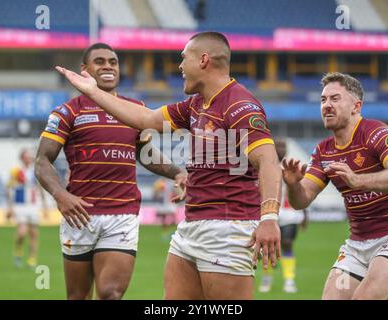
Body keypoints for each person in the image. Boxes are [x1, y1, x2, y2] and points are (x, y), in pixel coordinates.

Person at [56, 32, 282, 300]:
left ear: (203, 60)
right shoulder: (194, 105)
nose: (180, 67)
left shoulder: (239, 105)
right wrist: (93, 91)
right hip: (191, 226)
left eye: (183, 59)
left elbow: (268, 160)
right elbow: (146, 118)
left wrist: (269, 217)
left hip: (228, 228)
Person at [35, 43, 186, 300]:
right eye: (100, 61)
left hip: (122, 214)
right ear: (85, 69)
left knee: (111, 293)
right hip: (80, 215)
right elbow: (42, 160)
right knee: (77, 296)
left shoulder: (134, 109)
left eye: (113, 62)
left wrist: (178, 173)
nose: (107, 66)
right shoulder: (68, 111)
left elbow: (145, 153)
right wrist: (61, 195)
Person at [282, 72, 388, 300]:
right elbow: (301, 200)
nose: (327, 105)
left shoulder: (376, 133)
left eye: (335, 99)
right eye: (323, 100)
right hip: (356, 247)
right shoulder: (324, 150)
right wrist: (293, 185)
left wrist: (358, 180)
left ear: (356, 106)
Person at [259, 138, 308, 294]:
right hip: (269, 214)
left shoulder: (291, 168)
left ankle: (289, 281)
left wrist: (305, 214)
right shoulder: (266, 168)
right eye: (278, 146)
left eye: (283, 146)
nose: (281, 149)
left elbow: (299, 191)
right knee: (267, 248)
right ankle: (267, 280)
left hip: (290, 216)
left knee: (287, 244)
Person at [5, 148, 48, 269]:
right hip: (20, 205)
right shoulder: (16, 171)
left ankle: (32, 259)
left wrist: (45, 207)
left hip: (33, 205)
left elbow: (40, 188)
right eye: (26, 156)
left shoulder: (35, 171)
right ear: (22, 158)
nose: (29, 158)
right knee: (22, 233)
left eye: (30, 156)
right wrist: (9, 207)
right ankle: (18, 251)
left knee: (34, 233)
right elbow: (8, 188)